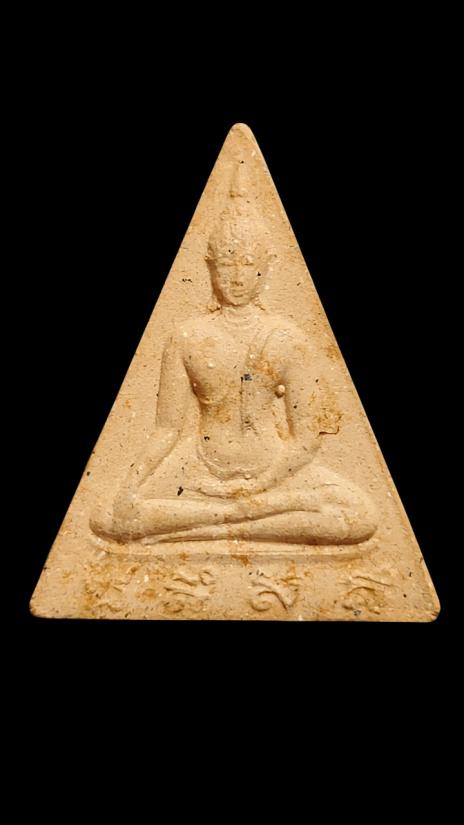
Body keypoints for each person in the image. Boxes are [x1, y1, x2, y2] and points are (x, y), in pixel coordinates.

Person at [90, 164, 377, 546]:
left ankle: (222, 525)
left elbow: (307, 439)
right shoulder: (187, 337)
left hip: (274, 473)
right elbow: (167, 429)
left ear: (266, 267)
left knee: (361, 517)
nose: (237, 278)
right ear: (210, 267)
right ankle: (243, 519)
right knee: (106, 515)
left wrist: (261, 485)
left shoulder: (287, 339)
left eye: (248, 265)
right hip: (198, 470)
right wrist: (131, 481)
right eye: (226, 265)